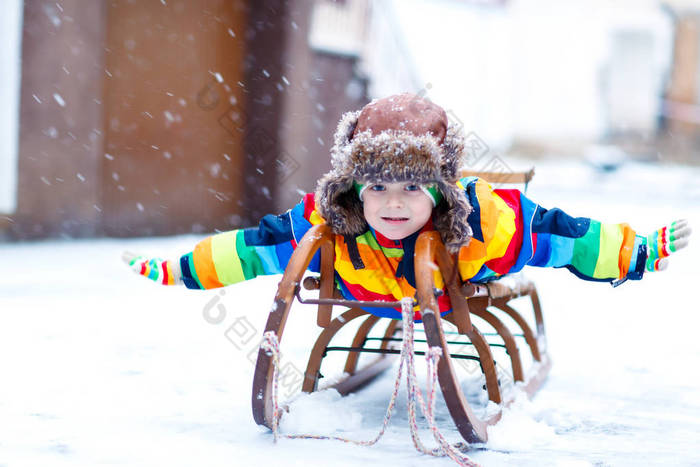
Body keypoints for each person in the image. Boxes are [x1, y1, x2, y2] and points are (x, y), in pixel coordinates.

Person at [123, 93, 691, 319]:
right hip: (374, 299)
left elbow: (563, 235)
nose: (392, 203)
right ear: (352, 189)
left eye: (412, 189)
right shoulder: (328, 225)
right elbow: (256, 247)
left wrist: (635, 252)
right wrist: (185, 270)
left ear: (442, 192)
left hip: (443, 296)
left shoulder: (484, 224)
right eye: (376, 188)